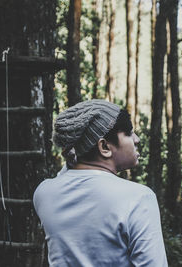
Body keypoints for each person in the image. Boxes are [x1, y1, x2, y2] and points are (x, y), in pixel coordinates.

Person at [33, 99, 168, 267]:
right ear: (104, 146)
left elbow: (68, 174)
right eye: (129, 132)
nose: (137, 139)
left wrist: (75, 151)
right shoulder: (139, 198)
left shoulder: (44, 193)